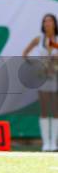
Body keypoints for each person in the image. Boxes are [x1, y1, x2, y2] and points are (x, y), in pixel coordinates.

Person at [23, 14, 57, 151]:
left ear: (55, 23)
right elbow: (25, 54)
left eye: (50, 21)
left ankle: (53, 142)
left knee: (55, 110)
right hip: (42, 78)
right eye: (45, 21)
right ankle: (46, 142)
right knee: (44, 110)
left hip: (56, 77)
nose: (47, 23)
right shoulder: (39, 39)